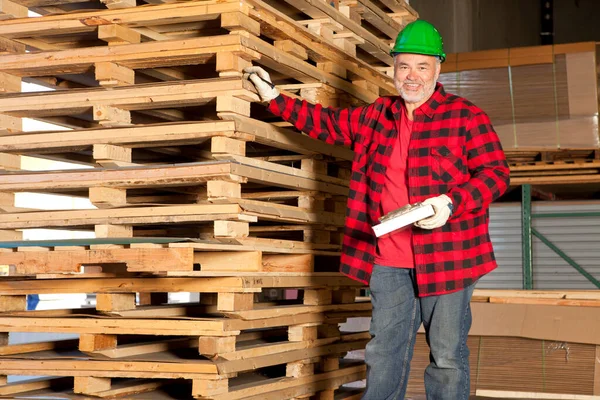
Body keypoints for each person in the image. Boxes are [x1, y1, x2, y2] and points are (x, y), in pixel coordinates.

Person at [243, 19, 509, 400]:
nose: (412, 76)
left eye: (422, 66)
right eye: (404, 66)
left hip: (450, 257)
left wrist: (451, 202)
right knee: (384, 353)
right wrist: (273, 98)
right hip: (389, 259)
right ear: (394, 69)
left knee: (447, 357)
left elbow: (496, 174)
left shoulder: (466, 117)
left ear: (438, 68)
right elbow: (327, 123)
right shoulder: (377, 115)